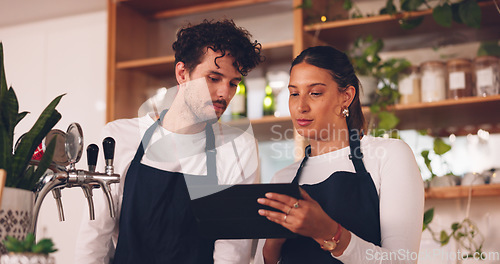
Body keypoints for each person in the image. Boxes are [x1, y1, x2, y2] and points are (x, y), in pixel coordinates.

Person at [75, 19, 263, 264]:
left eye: (233, 83)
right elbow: (94, 235)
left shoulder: (240, 148)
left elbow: (232, 252)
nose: (224, 93)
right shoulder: (119, 137)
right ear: (182, 73)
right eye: (213, 78)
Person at [254, 46, 424, 264]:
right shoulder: (282, 179)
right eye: (294, 93)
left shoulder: (389, 156)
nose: (301, 106)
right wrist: (272, 246)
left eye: (315, 93)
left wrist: (331, 233)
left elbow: (403, 261)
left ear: (346, 96)